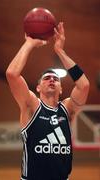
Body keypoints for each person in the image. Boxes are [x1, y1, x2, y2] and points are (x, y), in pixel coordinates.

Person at [6, 22, 90, 180]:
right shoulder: (31, 105)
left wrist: (60, 51)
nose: (51, 79)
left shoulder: (68, 108)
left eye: (56, 79)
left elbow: (84, 85)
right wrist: (29, 43)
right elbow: (12, 74)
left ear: (61, 89)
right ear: (38, 87)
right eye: (46, 78)